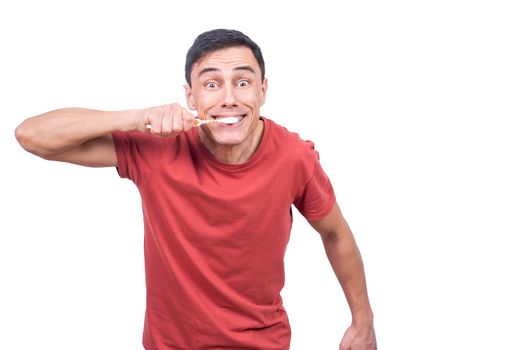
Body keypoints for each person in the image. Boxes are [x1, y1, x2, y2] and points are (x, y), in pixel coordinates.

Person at [15, 29, 377, 350]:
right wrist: (138, 118)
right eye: (212, 84)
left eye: (243, 82)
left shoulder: (294, 157)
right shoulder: (156, 147)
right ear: (191, 97)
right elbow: (33, 136)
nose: (229, 98)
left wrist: (363, 323)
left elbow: (334, 234)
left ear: (263, 90)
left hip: (263, 342)